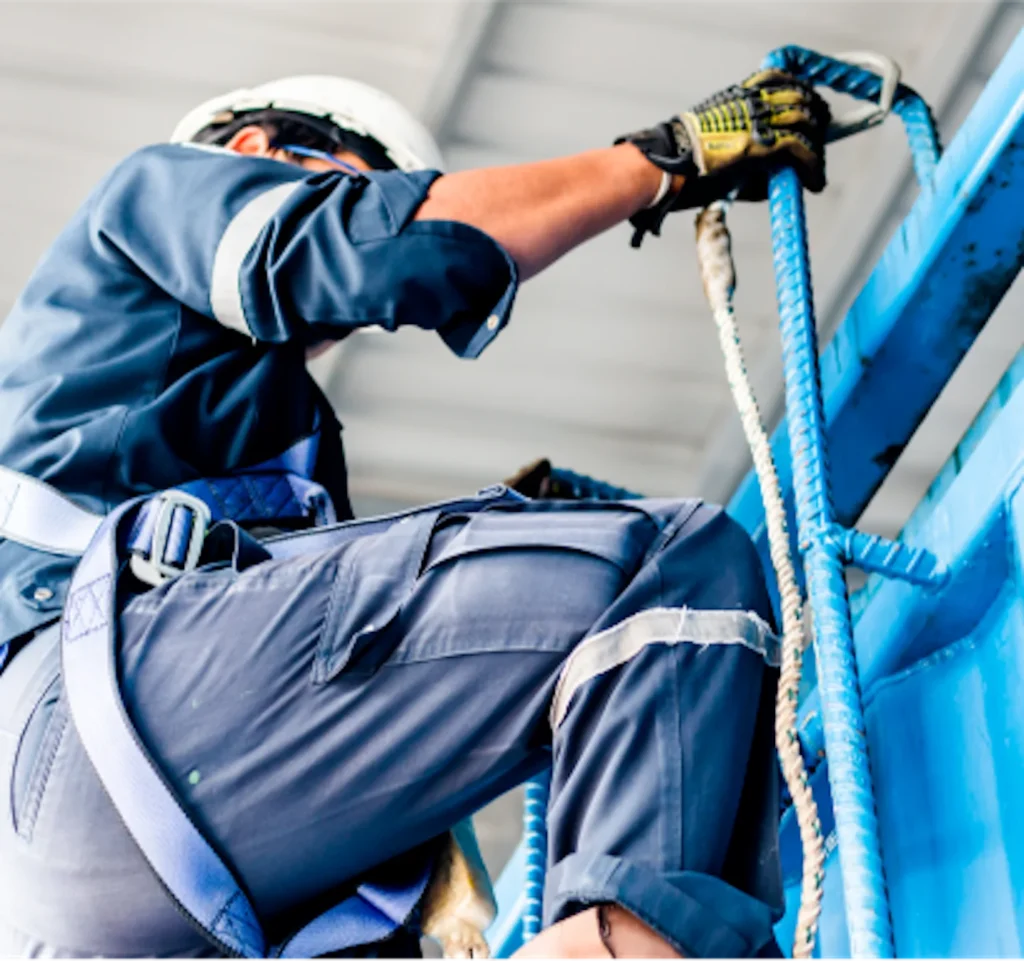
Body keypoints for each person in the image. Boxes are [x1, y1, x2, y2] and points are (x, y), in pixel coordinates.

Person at [0, 69, 829, 961]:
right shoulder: (156, 193)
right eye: (357, 181)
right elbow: (370, 246)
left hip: (93, 892)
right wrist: (655, 162)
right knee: (664, 569)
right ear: (257, 150)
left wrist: (523, 543)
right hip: (94, 727)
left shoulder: (252, 445)